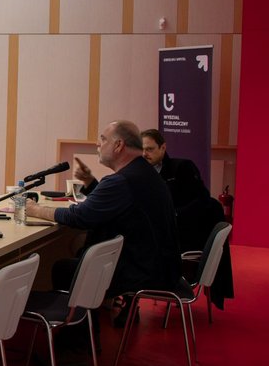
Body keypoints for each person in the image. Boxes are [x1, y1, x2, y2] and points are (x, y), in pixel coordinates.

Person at [25, 120, 181, 331]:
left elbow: (80, 217)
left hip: (143, 271)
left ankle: (75, 347)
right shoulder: (143, 173)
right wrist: (90, 182)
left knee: (67, 269)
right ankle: (86, 336)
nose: (98, 145)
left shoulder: (121, 181)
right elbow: (113, 204)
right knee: (79, 253)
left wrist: (35, 210)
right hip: (159, 264)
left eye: (103, 140)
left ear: (118, 145)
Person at [142, 128, 232, 307]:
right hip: (159, 232)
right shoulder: (142, 173)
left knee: (129, 248)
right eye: (142, 149)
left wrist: (174, 215)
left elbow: (202, 201)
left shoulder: (182, 167)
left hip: (182, 236)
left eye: (150, 149)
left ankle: (126, 302)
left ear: (163, 148)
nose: (144, 154)